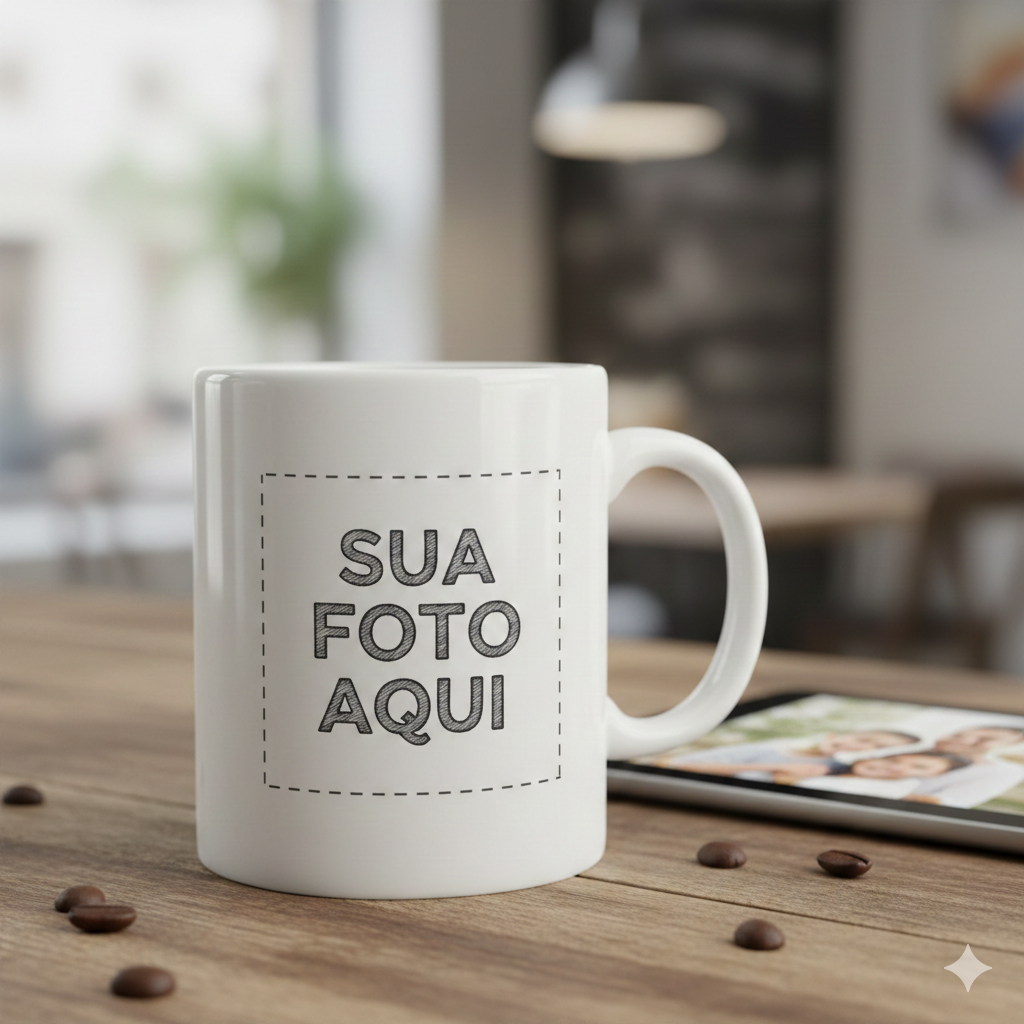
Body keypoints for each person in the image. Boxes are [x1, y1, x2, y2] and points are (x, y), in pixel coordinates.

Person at [656, 729, 920, 784]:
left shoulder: (830, 768)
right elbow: (684, 763)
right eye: (863, 738)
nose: (858, 746)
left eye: (872, 748)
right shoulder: (781, 744)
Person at [905, 725, 1024, 808]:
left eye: (985, 739)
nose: (966, 741)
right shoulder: (909, 746)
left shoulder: (1003, 771)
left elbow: (945, 803)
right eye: (958, 735)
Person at [798, 751, 973, 800]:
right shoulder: (825, 766)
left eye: (919, 767)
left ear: (937, 775)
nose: (896, 768)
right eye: (893, 760)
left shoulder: (894, 790)